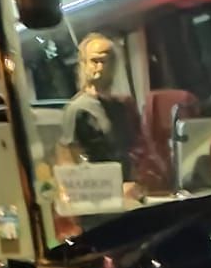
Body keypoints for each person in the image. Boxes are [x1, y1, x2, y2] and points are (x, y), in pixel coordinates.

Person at [56, 33, 145, 194]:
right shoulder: (77, 109)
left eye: (106, 61)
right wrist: (112, 190)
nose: (100, 67)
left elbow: (130, 154)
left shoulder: (121, 107)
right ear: (83, 65)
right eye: (94, 61)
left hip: (129, 193)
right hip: (99, 198)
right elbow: (68, 164)